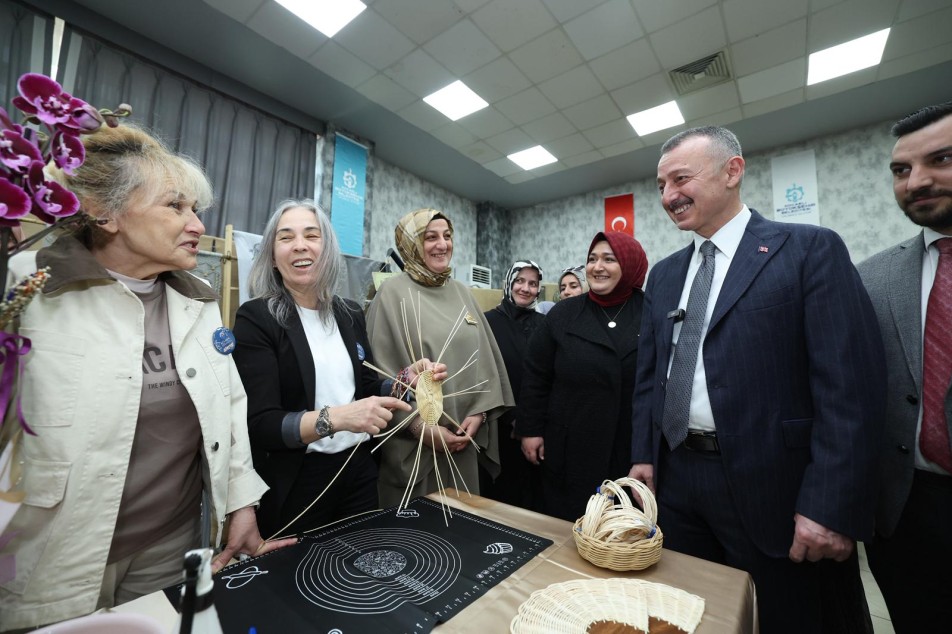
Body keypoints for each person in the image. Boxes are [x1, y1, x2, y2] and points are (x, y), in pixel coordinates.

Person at [0, 124, 293, 632]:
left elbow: (230, 408)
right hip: (52, 550)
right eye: (175, 207)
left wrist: (241, 505)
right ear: (102, 211)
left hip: (168, 542)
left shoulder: (197, 299)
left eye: (195, 209)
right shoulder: (27, 284)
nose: (196, 224)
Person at [628, 126, 886, 633]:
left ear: (733, 171)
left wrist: (829, 504)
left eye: (681, 179)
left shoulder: (808, 250)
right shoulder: (663, 275)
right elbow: (649, 377)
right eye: (660, 186)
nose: (668, 196)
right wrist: (643, 456)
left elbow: (849, 386)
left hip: (776, 486)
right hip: (679, 480)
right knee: (694, 614)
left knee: (784, 616)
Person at [232, 200, 445, 537]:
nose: (300, 245)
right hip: (299, 479)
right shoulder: (257, 319)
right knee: (303, 579)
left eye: (311, 235)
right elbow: (261, 424)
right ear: (272, 256)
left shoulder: (348, 314)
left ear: (328, 249)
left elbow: (365, 388)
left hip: (357, 469)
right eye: (286, 238)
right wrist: (338, 418)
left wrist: (405, 382)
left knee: (358, 571)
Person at [857, 102, 952, 633]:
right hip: (906, 511)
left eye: (942, 159)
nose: (917, 181)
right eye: (901, 170)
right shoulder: (872, 278)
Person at [366, 208, 514, 508]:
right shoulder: (391, 295)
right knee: (420, 548)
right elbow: (377, 380)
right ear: (411, 244)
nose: (442, 245)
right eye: (430, 237)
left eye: (447, 236)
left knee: (463, 537)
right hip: (415, 448)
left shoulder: (462, 292)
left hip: (464, 441)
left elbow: (486, 359)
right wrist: (422, 429)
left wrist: (480, 414)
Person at [518, 231, 647, 521]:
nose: (597, 267)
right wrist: (530, 429)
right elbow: (536, 376)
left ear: (630, 264)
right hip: (569, 447)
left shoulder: (651, 313)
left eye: (609, 259)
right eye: (592, 259)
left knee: (619, 533)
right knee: (567, 528)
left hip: (627, 450)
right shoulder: (564, 314)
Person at [482, 260, 546, 511]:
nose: (525, 288)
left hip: (534, 426)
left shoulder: (543, 325)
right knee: (498, 495)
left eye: (533, 283)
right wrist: (511, 417)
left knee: (530, 495)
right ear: (509, 282)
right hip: (496, 422)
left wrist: (530, 421)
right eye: (520, 281)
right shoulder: (489, 321)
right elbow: (485, 373)